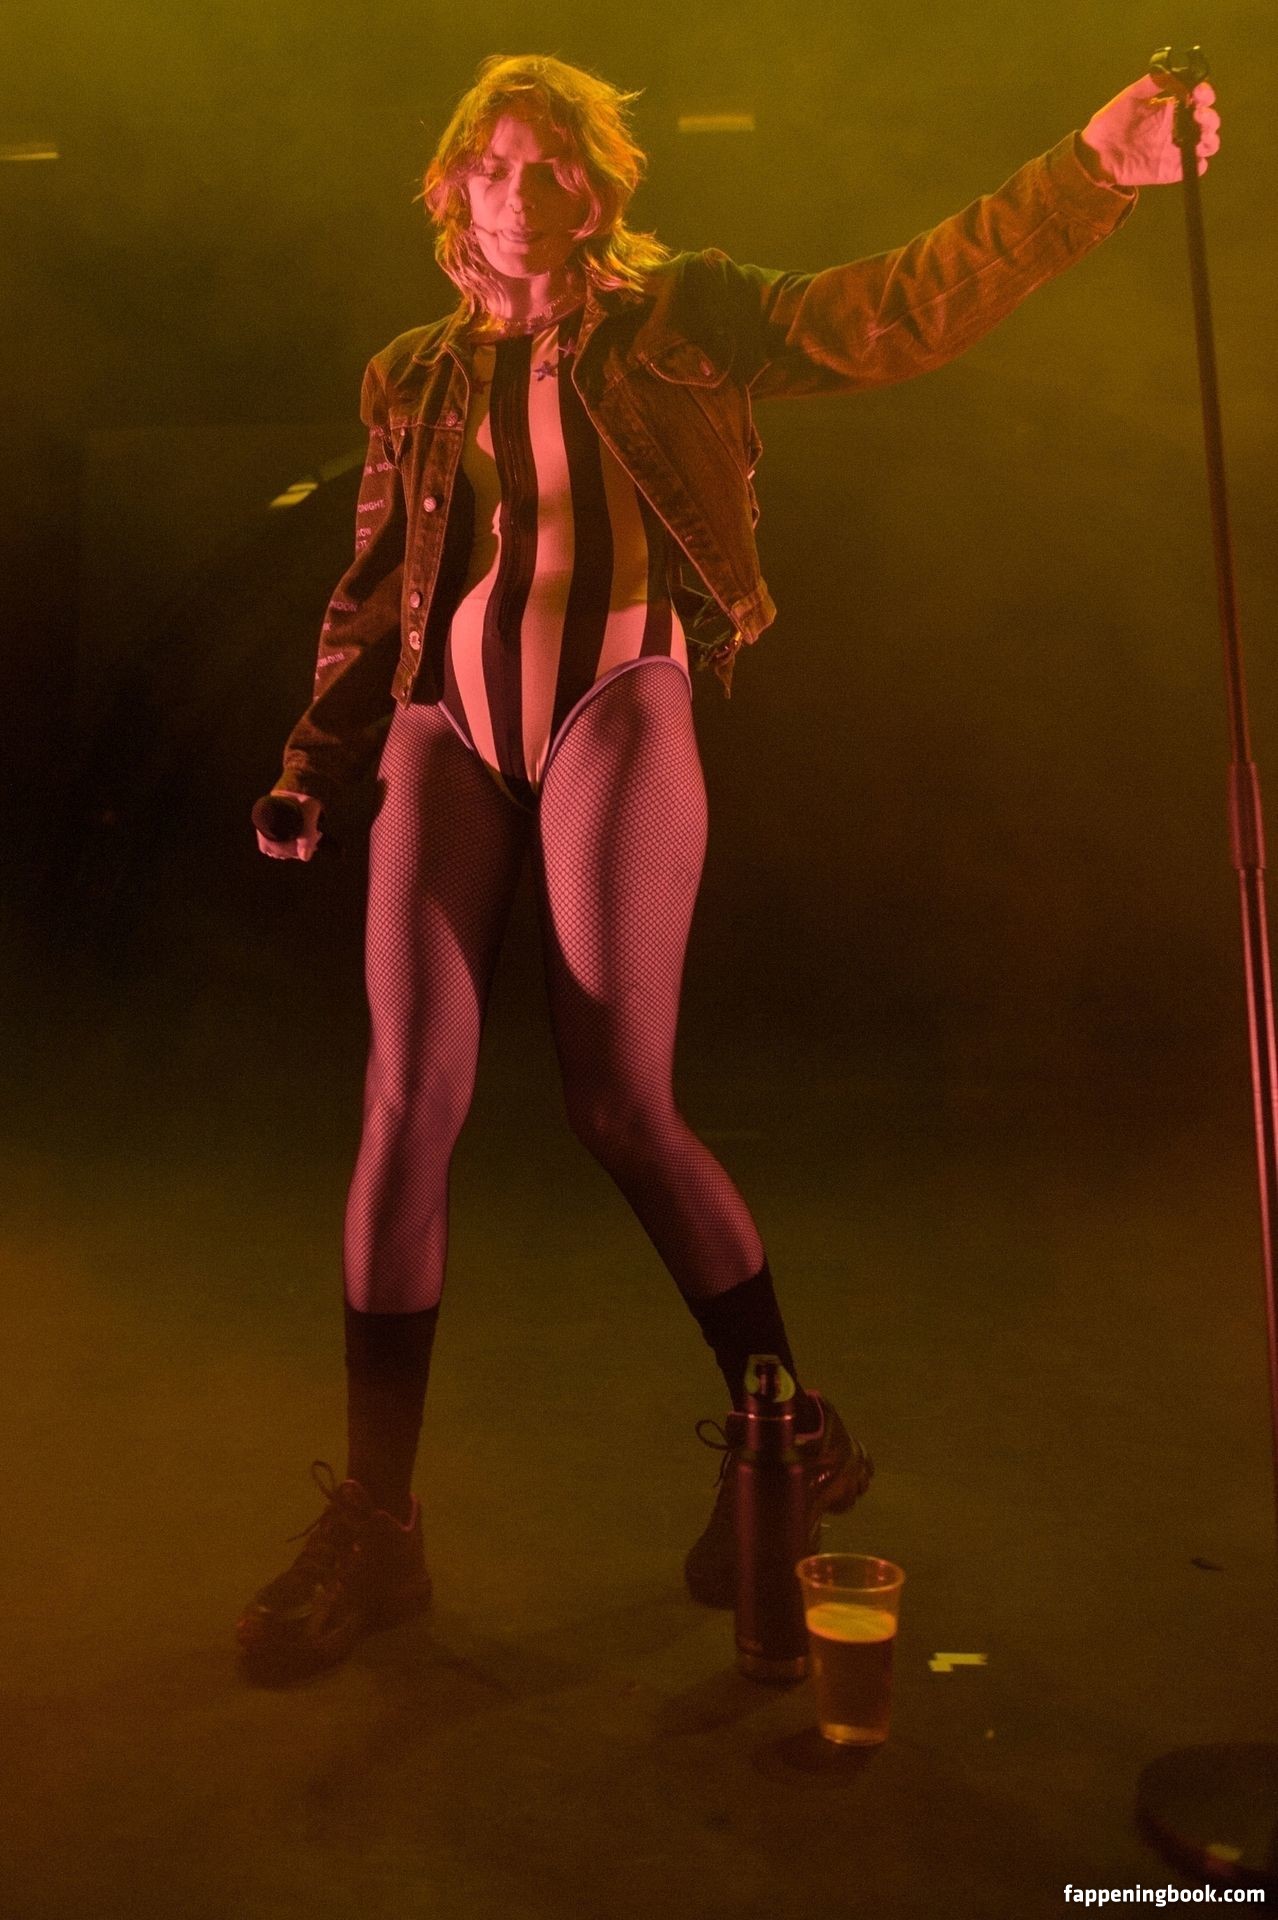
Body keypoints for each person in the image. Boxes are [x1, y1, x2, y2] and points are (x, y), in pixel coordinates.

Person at [235, 53, 1220, 1680]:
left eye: (554, 164)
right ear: (452, 187)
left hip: (616, 701)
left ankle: (795, 1430)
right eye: (495, 165)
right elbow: (377, 586)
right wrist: (310, 764)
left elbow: (890, 307)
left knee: (619, 1107)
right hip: (442, 725)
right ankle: (377, 1527)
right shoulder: (410, 373)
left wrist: (1090, 171)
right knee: (405, 1101)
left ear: (598, 189)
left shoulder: (683, 315)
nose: (522, 192)